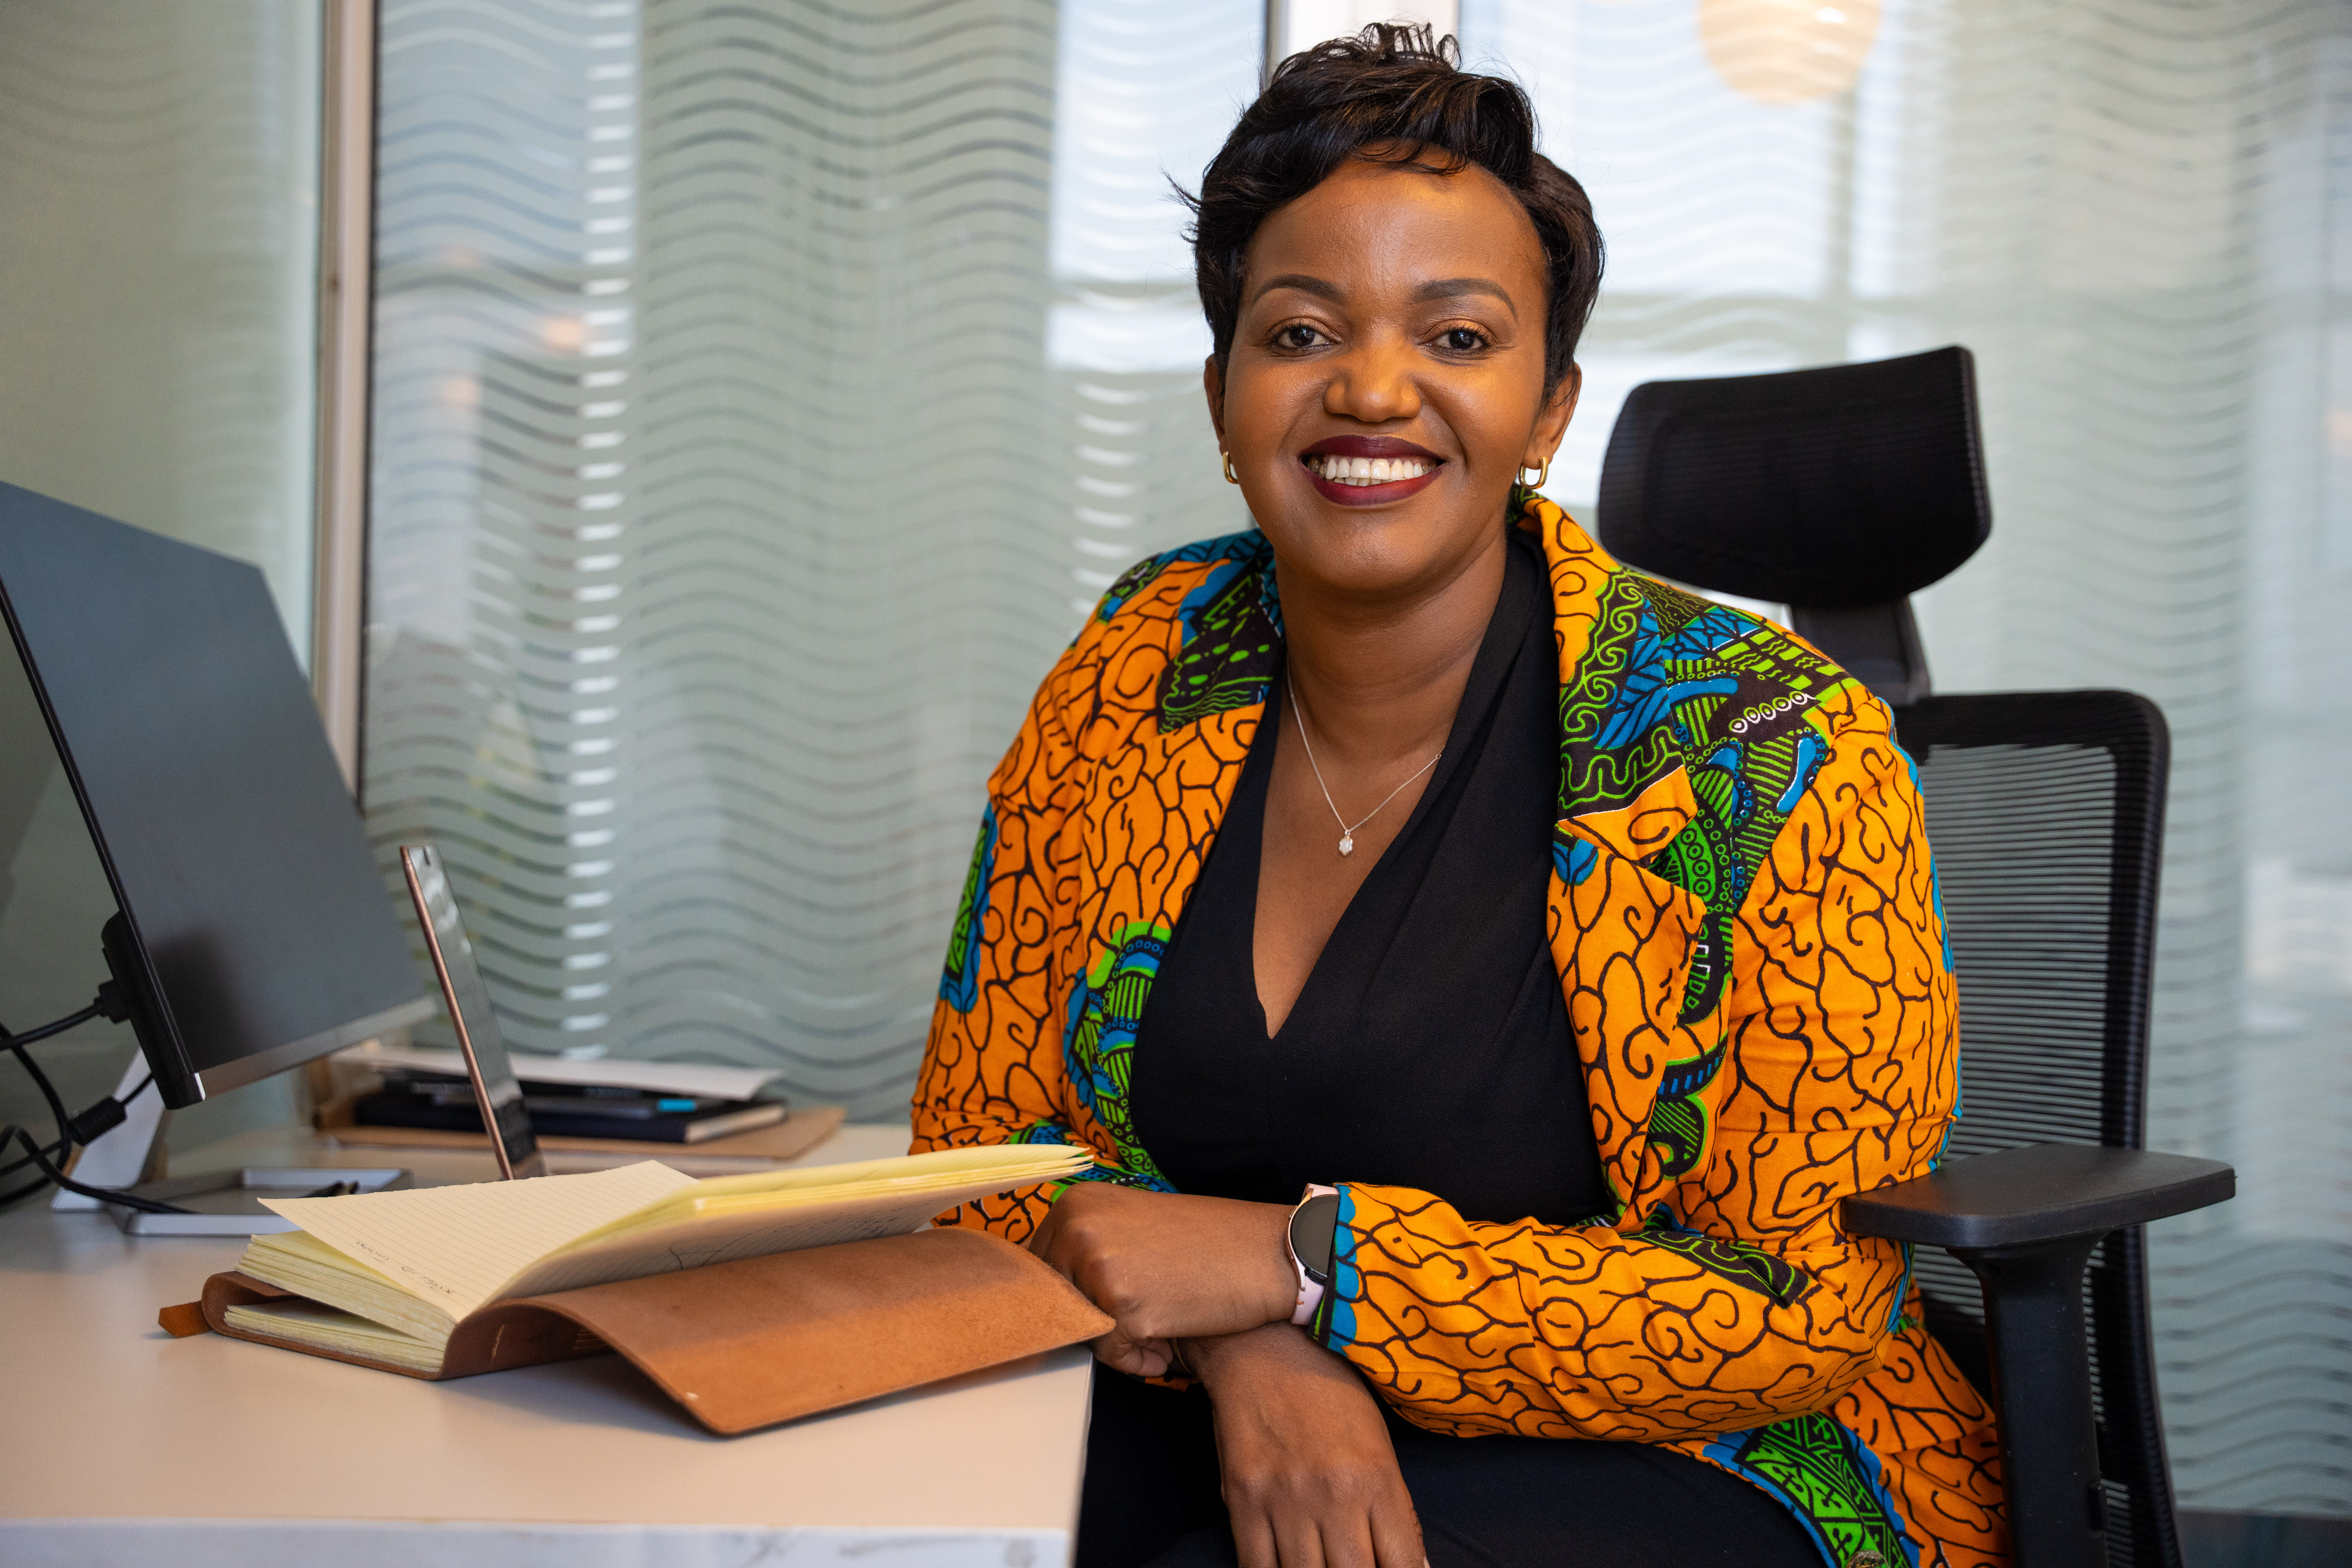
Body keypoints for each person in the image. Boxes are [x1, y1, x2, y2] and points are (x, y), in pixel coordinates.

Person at [914, 25, 2004, 1568]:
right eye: (1300, 335)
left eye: (1459, 337)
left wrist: (1307, 1268)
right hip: (1197, 1388)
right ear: (1224, 397)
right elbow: (980, 1157)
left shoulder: (1774, 745)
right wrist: (1254, 1339)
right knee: (879, 1507)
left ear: (1549, 411)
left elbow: (1795, 1308)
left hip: (1729, 1448)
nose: (1372, 388)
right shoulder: (1136, 669)